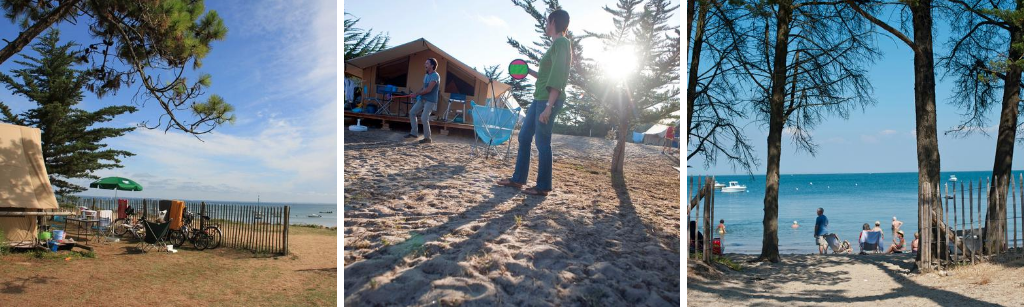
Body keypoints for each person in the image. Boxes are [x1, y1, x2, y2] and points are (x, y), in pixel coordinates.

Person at [496, 10, 573, 196]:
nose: (545, 25)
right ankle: (518, 179)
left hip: (548, 100)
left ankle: (543, 186)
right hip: (539, 98)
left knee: (542, 141)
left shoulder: (562, 43)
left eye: (547, 21)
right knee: (524, 136)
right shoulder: (556, 45)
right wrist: (528, 71)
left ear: (553, 21)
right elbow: (547, 75)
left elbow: (558, 77)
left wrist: (548, 107)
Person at [406, 58, 442, 144]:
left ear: (432, 65)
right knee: (412, 112)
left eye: (427, 63)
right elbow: (423, 88)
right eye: (425, 63)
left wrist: (417, 94)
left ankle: (427, 138)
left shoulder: (435, 76)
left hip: (430, 100)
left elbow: (429, 90)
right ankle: (414, 133)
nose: (425, 64)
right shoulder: (426, 75)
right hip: (423, 99)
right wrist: (416, 93)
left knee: (424, 118)